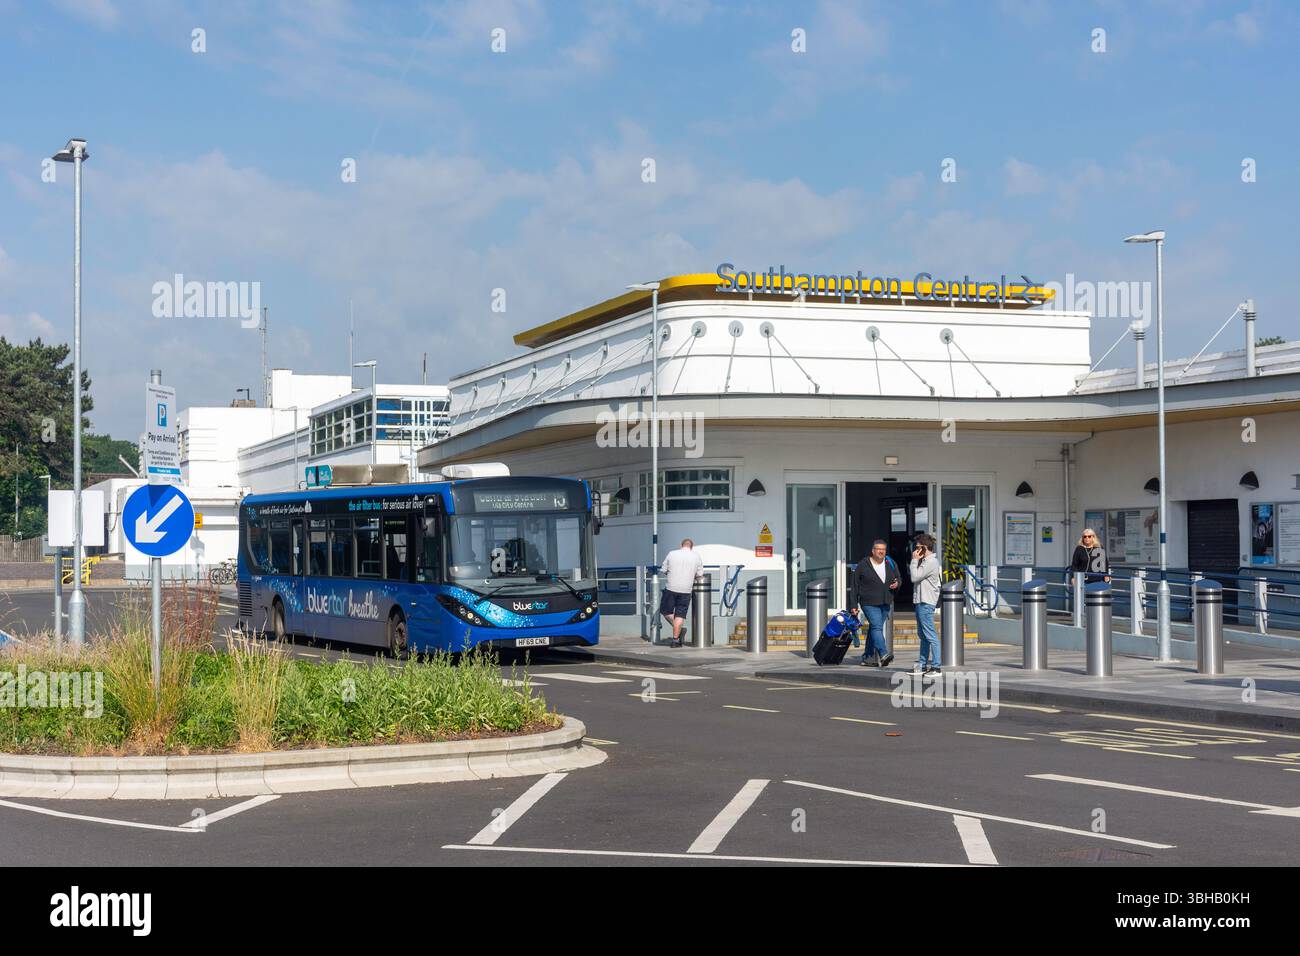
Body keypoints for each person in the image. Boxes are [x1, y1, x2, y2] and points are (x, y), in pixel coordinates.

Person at [851, 539, 899, 667]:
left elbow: (898, 578)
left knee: (874, 628)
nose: (881, 552)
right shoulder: (863, 564)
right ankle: (883, 654)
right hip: (869, 603)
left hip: (885, 602)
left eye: (883, 549)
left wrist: (897, 584)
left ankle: (867, 657)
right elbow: (855, 586)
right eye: (878, 549)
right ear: (873, 551)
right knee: (877, 627)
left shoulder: (890, 562)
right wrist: (854, 605)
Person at [659, 538, 704, 648]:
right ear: (691, 547)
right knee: (680, 615)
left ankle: (679, 631)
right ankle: (675, 640)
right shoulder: (696, 556)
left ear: (681, 545)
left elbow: (663, 569)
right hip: (686, 590)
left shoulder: (671, 553)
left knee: (665, 611)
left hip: (671, 587)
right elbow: (699, 574)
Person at [909, 533, 942, 675]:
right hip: (921, 602)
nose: (915, 551)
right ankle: (922, 666)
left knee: (930, 635)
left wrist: (914, 561)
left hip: (926, 603)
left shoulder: (931, 562)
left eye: (917, 547)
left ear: (925, 547)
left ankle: (936, 667)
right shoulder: (925, 561)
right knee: (923, 635)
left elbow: (914, 577)